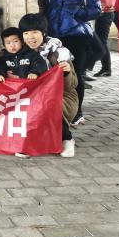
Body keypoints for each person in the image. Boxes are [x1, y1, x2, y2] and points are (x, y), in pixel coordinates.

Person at [44, 0, 101, 125]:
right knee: (57, 74)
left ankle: (77, 112)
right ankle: (61, 110)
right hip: (55, 37)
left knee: (75, 74)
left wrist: (78, 13)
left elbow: (96, 9)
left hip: (77, 36)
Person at [19, 13, 78, 157]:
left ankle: (67, 139)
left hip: (62, 96)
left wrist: (66, 73)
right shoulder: (21, 52)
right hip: (31, 95)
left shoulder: (59, 53)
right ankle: (27, 141)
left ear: (43, 33)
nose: (30, 37)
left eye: (34, 32)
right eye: (26, 33)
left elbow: (73, 84)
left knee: (47, 104)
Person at [87, 0, 116, 77]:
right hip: (104, 14)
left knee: (101, 42)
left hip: (106, 14)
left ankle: (104, 68)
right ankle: (103, 68)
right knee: (101, 41)